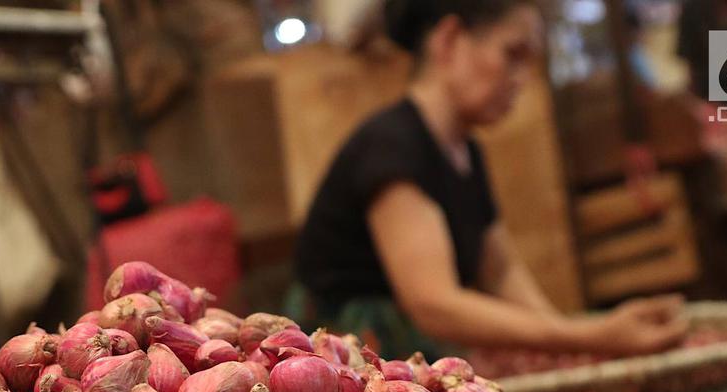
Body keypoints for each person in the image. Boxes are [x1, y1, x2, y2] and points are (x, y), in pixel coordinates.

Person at [293, 0, 688, 360]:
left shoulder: (465, 152)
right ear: (449, 40)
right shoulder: (391, 146)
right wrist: (587, 338)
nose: (521, 78)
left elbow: (500, 270)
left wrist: (578, 340)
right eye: (512, 54)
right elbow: (434, 303)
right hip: (348, 359)